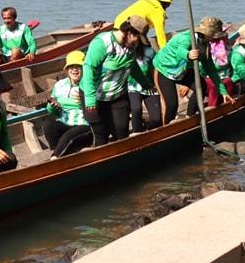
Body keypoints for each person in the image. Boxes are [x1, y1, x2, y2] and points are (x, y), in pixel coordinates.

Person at [80, 16, 152, 145]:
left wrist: (145, 84)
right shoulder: (102, 43)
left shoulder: (131, 45)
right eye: (137, 38)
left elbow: (132, 66)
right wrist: (90, 98)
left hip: (117, 94)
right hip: (94, 96)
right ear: (129, 32)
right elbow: (88, 69)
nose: (138, 42)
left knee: (121, 131)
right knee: (101, 133)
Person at [152, 16, 234, 125]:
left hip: (184, 70)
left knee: (201, 86)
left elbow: (211, 70)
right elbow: (180, 52)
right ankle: (167, 128)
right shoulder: (187, 38)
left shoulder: (206, 46)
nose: (214, 39)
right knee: (171, 104)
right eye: (213, 36)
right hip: (165, 69)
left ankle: (189, 116)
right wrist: (188, 54)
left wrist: (223, 92)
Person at [42, 51, 92, 157]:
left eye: (78, 66)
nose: (74, 69)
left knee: (68, 135)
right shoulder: (59, 85)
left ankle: (54, 158)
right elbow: (50, 110)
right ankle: (59, 150)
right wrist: (52, 106)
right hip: (65, 122)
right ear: (67, 69)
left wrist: (82, 101)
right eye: (71, 66)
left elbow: (96, 106)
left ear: (84, 68)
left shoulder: (90, 84)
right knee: (48, 124)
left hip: (84, 124)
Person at [128, 43, 162, 132]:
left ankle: (151, 131)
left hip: (150, 87)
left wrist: (158, 86)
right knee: (136, 109)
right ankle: (137, 133)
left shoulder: (149, 51)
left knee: (157, 120)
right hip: (132, 87)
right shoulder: (124, 52)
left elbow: (157, 69)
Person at [206, 29, 235, 107]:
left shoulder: (228, 48)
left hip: (224, 77)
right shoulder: (209, 49)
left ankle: (228, 103)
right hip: (209, 77)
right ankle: (211, 108)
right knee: (214, 85)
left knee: (229, 81)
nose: (227, 38)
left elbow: (231, 66)